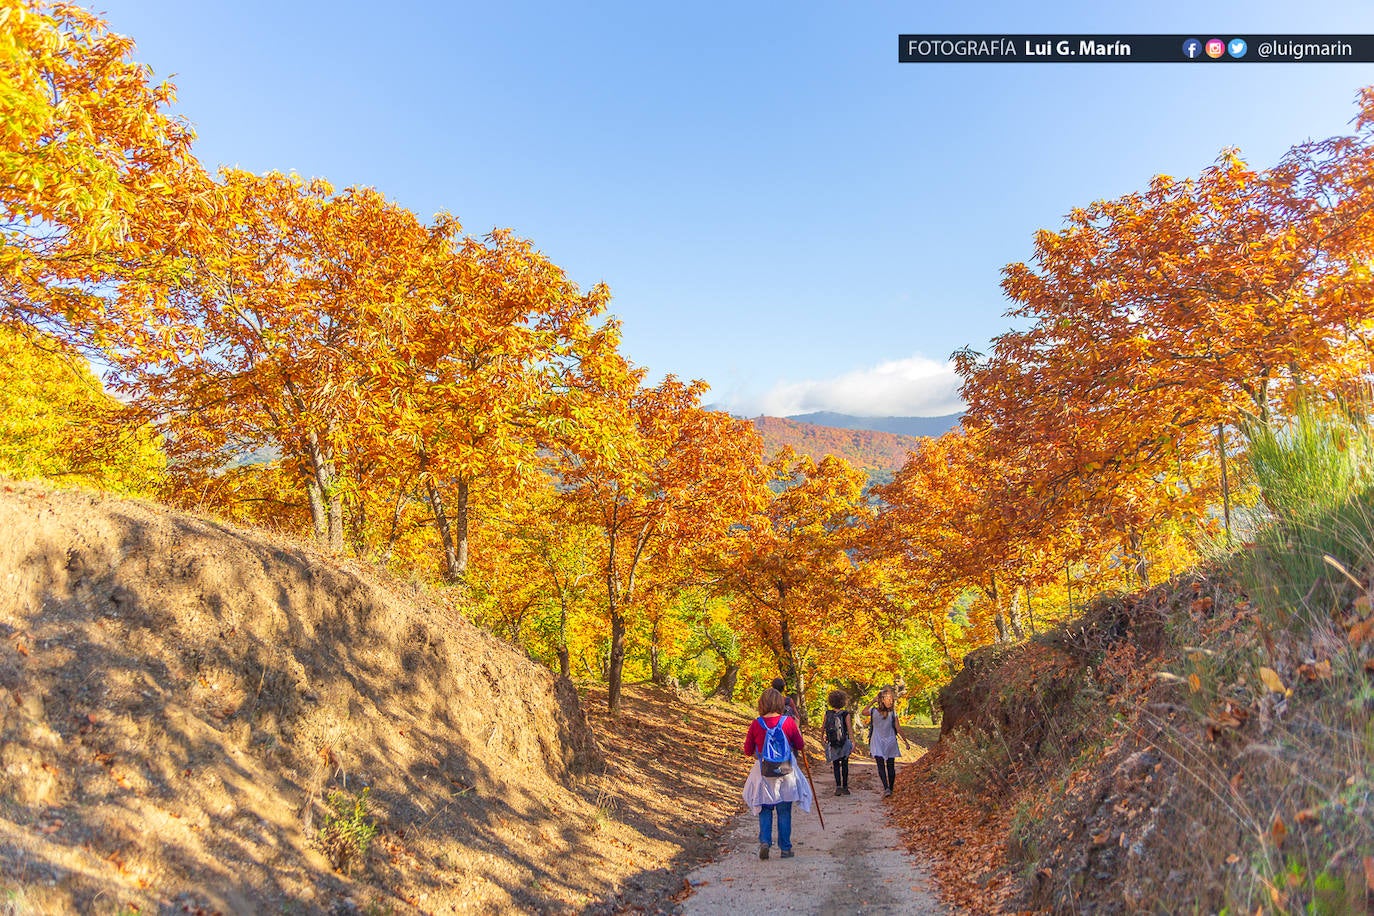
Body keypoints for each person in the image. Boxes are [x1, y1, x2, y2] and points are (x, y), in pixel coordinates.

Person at [743, 687, 813, 860]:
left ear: (762, 704)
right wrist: (796, 728)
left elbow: (747, 750)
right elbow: (800, 745)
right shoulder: (788, 722)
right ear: (780, 703)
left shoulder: (756, 723)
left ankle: (765, 841)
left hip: (764, 772)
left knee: (765, 809)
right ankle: (785, 848)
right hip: (786, 772)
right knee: (784, 810)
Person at [863, 685, 911, 798]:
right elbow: (898, 728)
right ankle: (891, 788)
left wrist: (872, 701)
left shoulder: (873, 711)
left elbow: (863, 712)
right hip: (890, 740)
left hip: (877, 740)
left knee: (880, 766)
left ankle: (886, 788)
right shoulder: (893, 713)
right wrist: (906, 742)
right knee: (890, 765)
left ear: (879, 700)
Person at [822, 689, 853, 795]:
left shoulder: (828, 713)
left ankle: (838, 786)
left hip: (832, 742)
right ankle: (845, 787)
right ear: (843, 701)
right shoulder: (845, 714)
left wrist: (822, 738)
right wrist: (853, 741)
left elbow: (823, 727)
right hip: (844, 742)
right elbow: (849, 728)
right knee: (845, 764)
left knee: (835, 764)